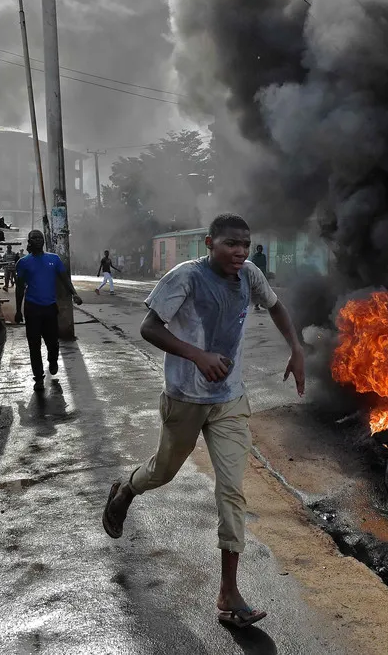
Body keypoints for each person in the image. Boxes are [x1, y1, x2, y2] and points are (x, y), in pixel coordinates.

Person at [101, 213, 305, 629]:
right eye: (231, 244)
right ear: (210, 243)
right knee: (163, 471)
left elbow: (276, 306)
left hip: (229, 400)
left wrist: (296, 349)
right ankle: (127, 489)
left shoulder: (249, 275)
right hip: (185, 398)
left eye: (245, 244)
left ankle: (228, 591)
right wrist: (197, 355)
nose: (240, 252)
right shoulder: (186, 277)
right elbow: (149, 327)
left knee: (232, 491)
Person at [14, 230, 83, 391]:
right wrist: (18, 310)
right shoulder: (23, 263)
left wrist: (74, 294)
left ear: (43, 241)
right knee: (34, 344)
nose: (38, 240)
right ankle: (38, 377)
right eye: (34, 238)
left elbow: (65, 279)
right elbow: (19, 288)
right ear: (29, 241)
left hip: (50, 308)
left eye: (40, 237)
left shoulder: (54, 259)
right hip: (32, 308)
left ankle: (52, 360)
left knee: (52, 342)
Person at [250, 245, 268, 311]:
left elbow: (264, 265)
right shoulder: (255, 256)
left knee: (263, 289)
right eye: (259, 248)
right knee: (257, 290)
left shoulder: (263, 256)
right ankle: (256, 304)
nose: (260, 250)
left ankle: (262, 303)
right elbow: (253, 265)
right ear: (257, 249)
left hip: (262, 274)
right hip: (257, 274)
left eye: (261, 249)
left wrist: (265, 274)